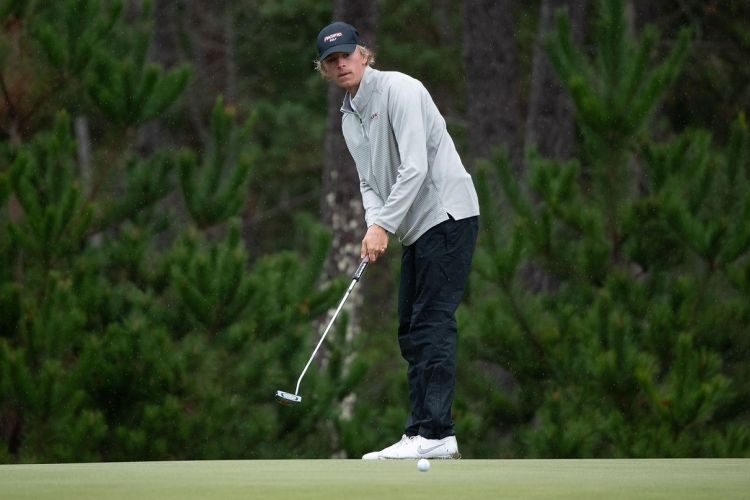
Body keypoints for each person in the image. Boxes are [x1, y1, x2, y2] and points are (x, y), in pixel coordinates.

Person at [315, 21, 480, 460]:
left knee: (432, 321)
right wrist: (375, 223)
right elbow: (370, 182)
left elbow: (415, 168)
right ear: (325, 70)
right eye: (332, 60)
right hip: (415, 227)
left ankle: (438, 433)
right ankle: (420, 432)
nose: (342, 63)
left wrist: (382, 225)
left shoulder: (400, 91)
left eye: (347, 54)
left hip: (446, 213)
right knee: (409, 327)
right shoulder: (349, 118)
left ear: (363, 55)